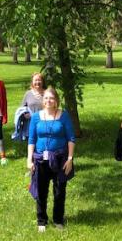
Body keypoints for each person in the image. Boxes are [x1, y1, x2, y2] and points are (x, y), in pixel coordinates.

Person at [27, 87, 75, 232]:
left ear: (56, 101)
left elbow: (71, 138)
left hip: (60, 159)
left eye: (51, 98)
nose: (48, 101)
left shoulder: (64, 116)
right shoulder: (36, 117)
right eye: (46, 98)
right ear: (43, 100)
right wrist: (29, 159)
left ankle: (58, 220)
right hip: (41, 160)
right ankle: (42, 221)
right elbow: (31, 139)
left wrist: (70, 158)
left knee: (60, 191)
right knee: (41, 191)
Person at [12, 73, 45, 142]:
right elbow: (22, 108)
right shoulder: (28, 93)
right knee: (31, 143)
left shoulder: (47, 93)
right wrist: (26, 114)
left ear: (43, 81)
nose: (37, 82)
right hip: (30, 123)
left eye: (39, 80)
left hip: (44, 122)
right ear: (32, 82)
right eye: (35, 80)